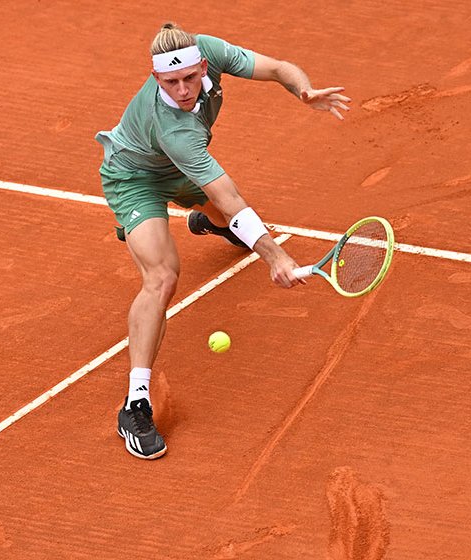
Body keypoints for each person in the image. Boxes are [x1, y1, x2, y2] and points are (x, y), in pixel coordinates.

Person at [95, 23, 350, 460]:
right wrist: (275, 256)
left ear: (203, 65)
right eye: (170, 83)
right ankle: (135, 403)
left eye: (189, 79)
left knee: (228, 220)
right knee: (162, 277)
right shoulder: (174, 129)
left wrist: (303, 91)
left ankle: (207, 224)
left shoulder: (210, 49)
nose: (182, 90)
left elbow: (277, 68)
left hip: (180, 170)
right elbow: (229, 199)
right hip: (135, 177)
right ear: (156, 79)